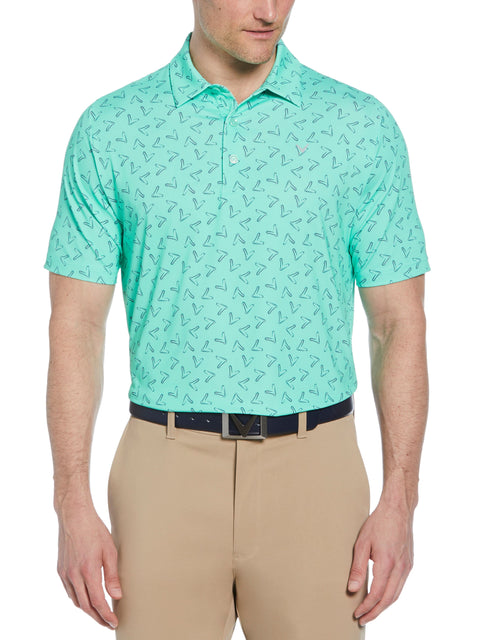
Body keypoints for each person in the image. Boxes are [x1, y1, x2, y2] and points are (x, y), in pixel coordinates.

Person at [44, 1, 430, 638]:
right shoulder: (111, 130)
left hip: (316, 472)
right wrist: (70, 504)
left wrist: (401, 499)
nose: (269, 9)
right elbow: (75, 324)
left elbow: (399, 322)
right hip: (161, 471)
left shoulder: (359, 127)